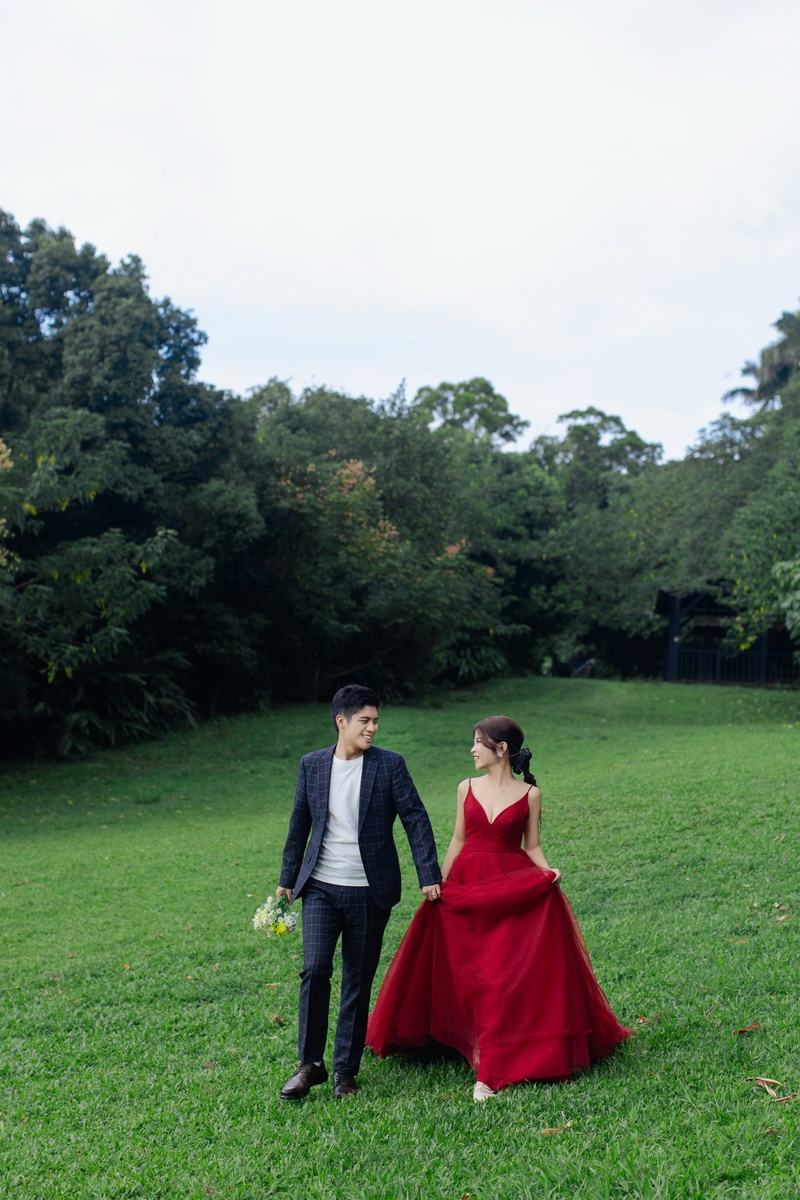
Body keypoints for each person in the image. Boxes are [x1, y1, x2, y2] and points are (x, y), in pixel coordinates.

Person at [366, 715, 630, 1101]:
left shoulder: (530, 795)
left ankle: (491, 1068)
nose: (472, 749)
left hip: (510, 888)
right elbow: (458, 839)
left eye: (478, 742)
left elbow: (531, 845)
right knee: (468, 973)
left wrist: (548, 872)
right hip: (467, 886)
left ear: (501, 748)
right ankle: (460, 1041)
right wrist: (438, 882)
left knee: (499, 977)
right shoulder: (466, 787)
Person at [276, 683, 442, 1100]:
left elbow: (415, 819)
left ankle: (344, 1072)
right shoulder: (312, 765)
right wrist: (286, 879)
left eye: (376, 721)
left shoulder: (390, 765)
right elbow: (299, 825)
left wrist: (428, 873)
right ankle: (309, 1065)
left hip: (370, 892)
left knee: (357, 980)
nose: (372, 728)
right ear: (341, 721)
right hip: (320, 888)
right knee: (315, 969)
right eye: (365, 721)